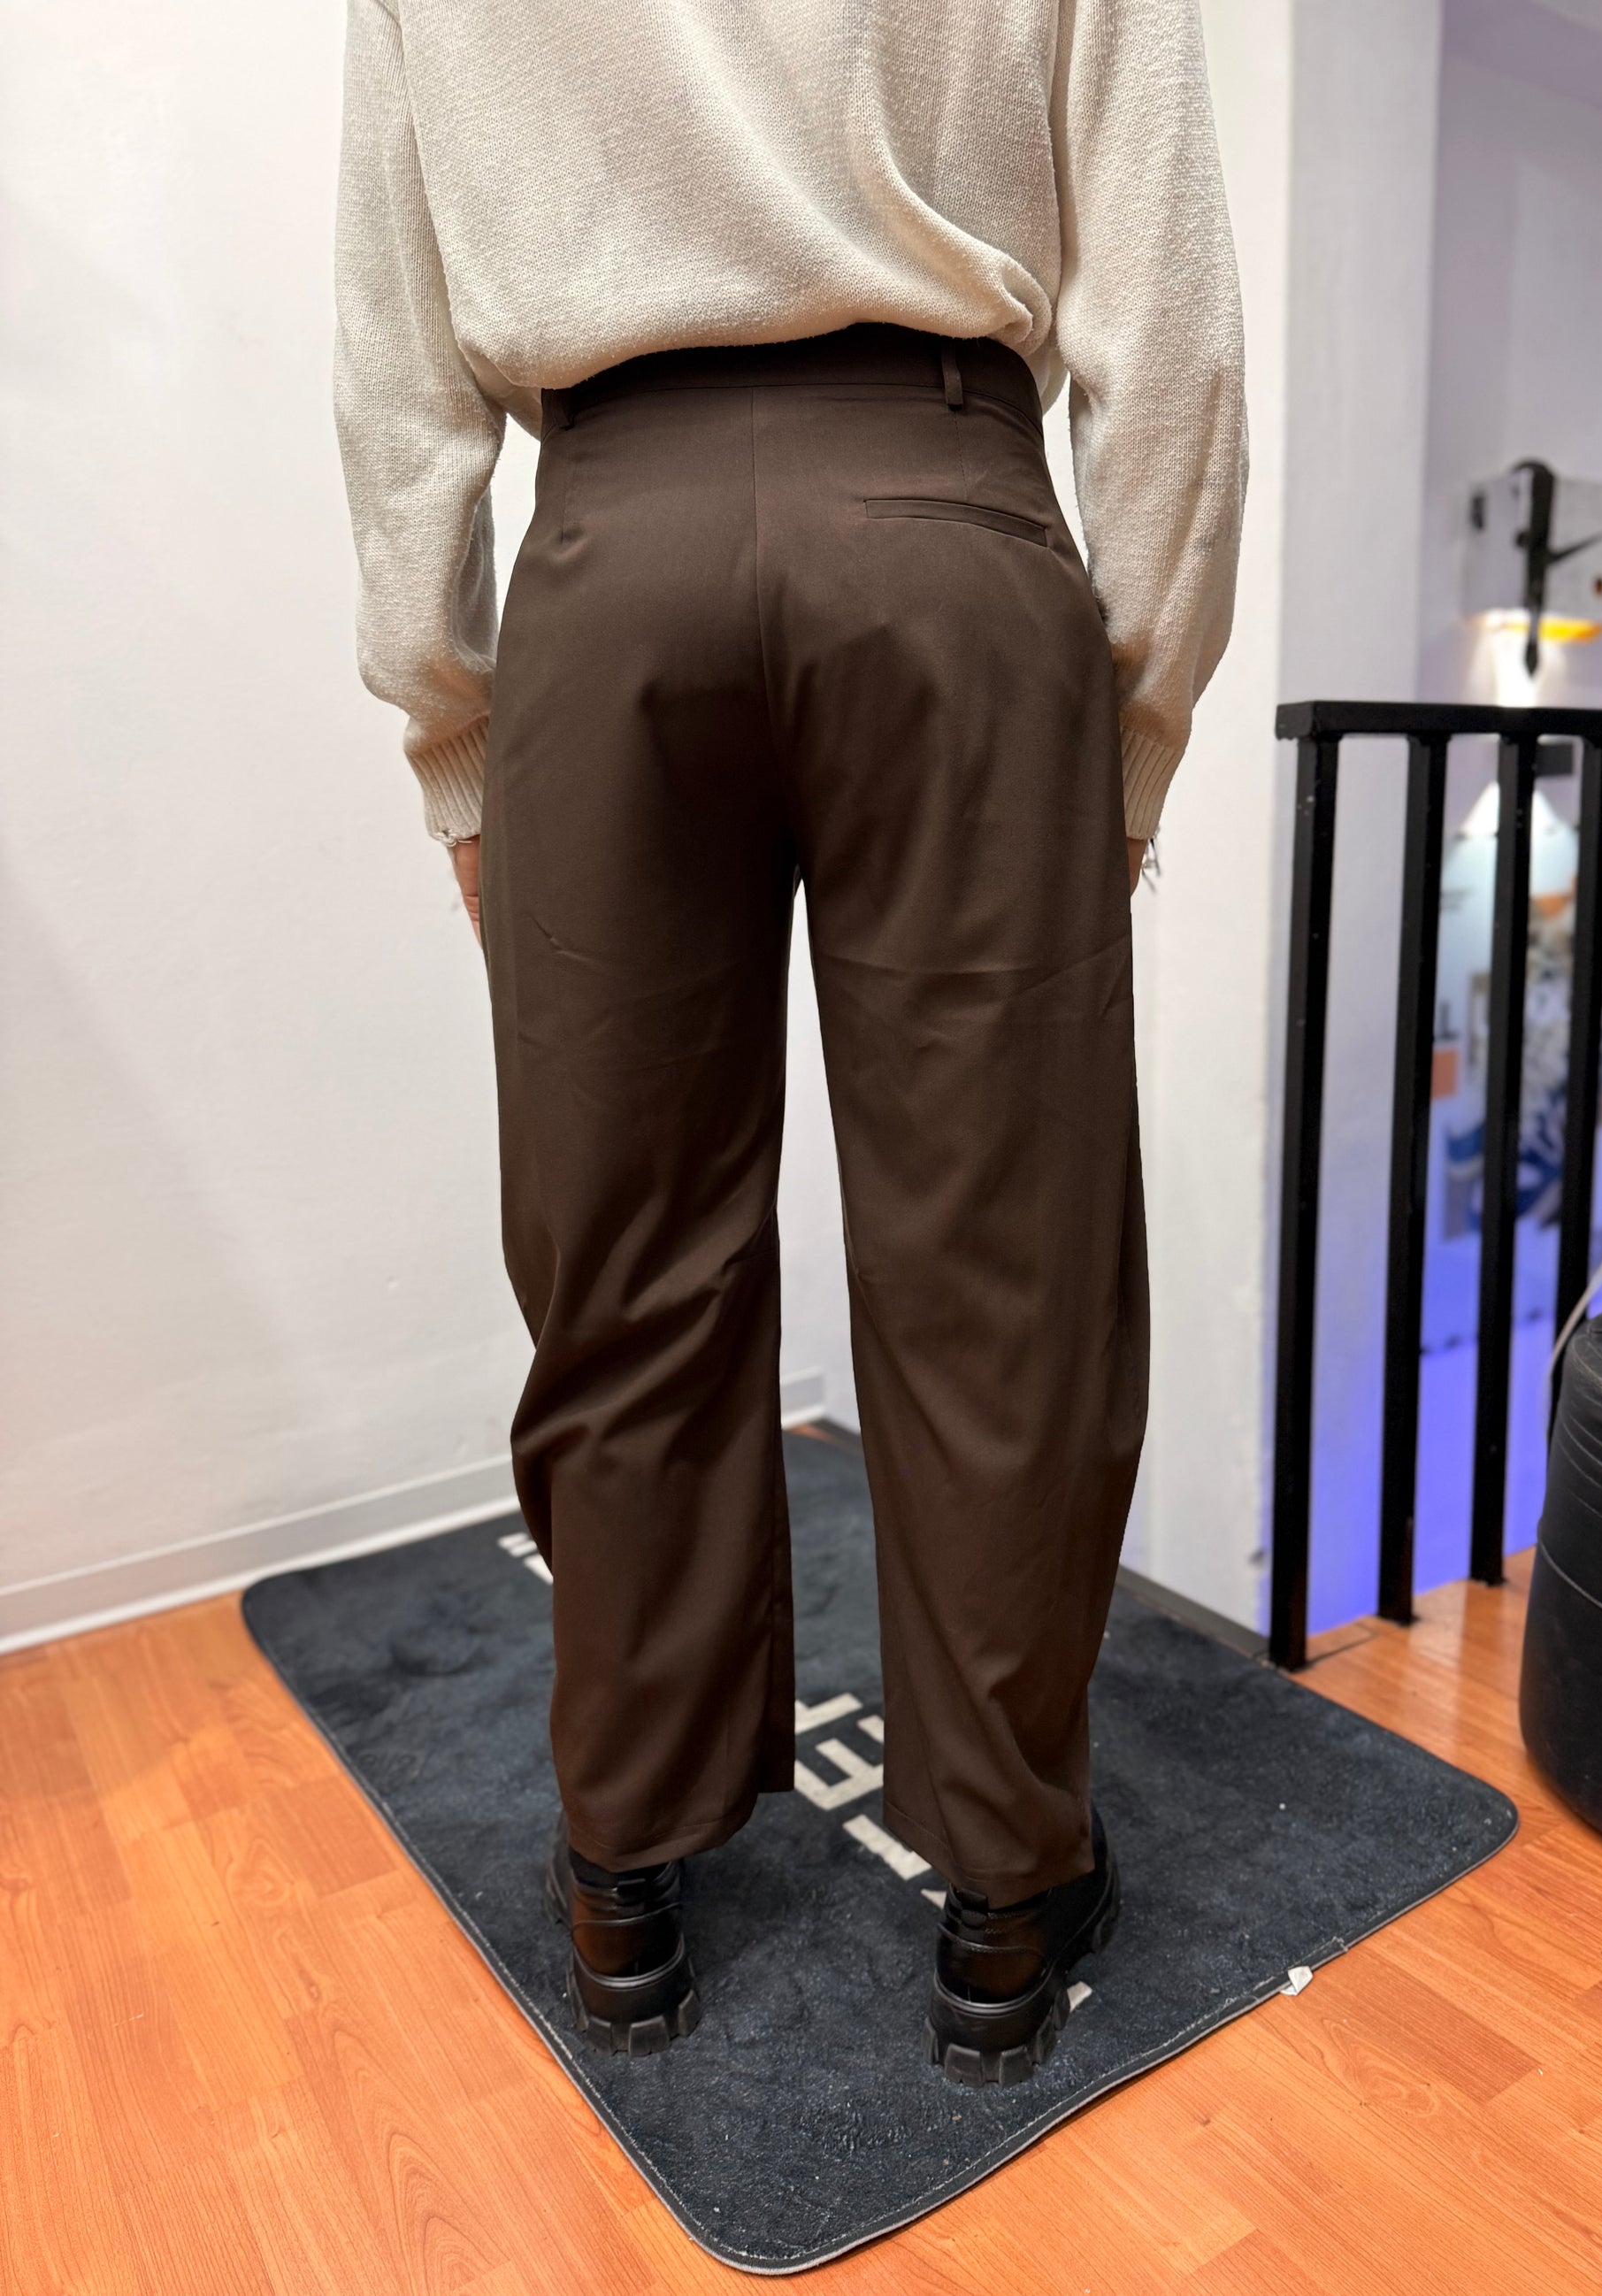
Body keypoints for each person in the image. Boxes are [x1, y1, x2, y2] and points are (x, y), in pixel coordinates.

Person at [334, 0, 1246, 2085]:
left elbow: (395, 355)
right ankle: (1005, 1891)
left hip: (613, 556)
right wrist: (1134, 722)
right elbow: (1169, 318)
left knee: (620, 1249)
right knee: (998, 1270)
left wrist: (451, 725)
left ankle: (622, 1868)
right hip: (944, 529)